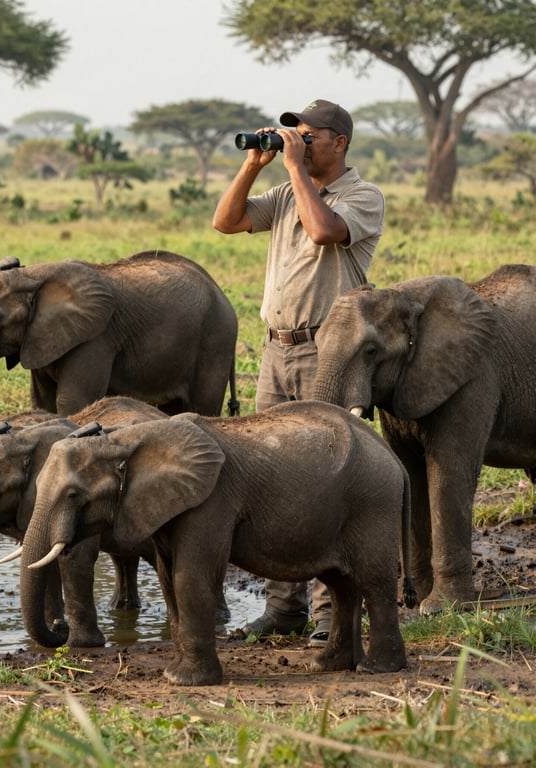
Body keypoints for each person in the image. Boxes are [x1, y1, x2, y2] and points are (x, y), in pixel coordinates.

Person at [212, 99, 385, 646]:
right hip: (275, 352)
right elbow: (226, 221)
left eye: (310, 137)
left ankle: (333, 616)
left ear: (340, 142)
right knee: (268, 474)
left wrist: (292, 169)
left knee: (327, 477)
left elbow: (323, 232)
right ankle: (282, 608)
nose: (300, 144)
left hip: (327, 351)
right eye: (296, 136)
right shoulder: (287, 190)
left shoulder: (361, 196)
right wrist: (254, 165)